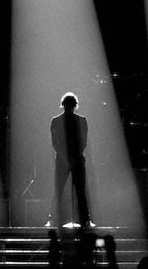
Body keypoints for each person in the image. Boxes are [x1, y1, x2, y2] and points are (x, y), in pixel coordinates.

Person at [49, 92, 92, 226]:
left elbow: (82, 141)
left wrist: (69, 158)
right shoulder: (57, 121)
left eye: (70, 106)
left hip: (72, 159)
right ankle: (55, 218)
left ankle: (84, 219)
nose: (69, 109)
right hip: (70, 160)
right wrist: (68, 159)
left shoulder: (79, 120)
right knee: (62, 190)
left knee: (77, 190)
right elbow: (56, 143)